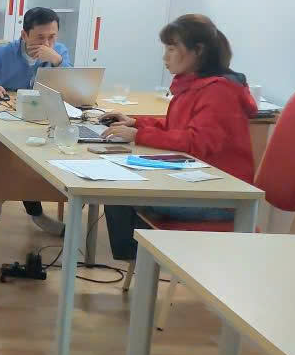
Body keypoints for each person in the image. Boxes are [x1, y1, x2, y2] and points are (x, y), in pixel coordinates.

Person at [100, 14, 257, 262]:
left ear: (198, 51)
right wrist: (136, 123)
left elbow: (196, 142)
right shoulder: (194, 85)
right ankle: (149, 260)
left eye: (172, 49)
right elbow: (177, 127)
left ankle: (157, 261)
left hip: (219, 197)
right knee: (119, 191)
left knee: (119, 193)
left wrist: (140, 135)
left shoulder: (218, 91)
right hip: (193, 183)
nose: (165, 57)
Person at [0, 7, 72, 235]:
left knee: (49, 149)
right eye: (40, 37)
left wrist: (58, 61)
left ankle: (2, 197)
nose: (47, 43)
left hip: (42, 120)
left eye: (52, 37)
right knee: (17, 149)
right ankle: (34, 213)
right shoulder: (3, 53)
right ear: (24, 34)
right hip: (7, 119)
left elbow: (70, 87)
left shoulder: (59, 52)